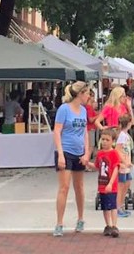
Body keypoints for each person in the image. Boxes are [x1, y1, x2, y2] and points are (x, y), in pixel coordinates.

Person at [53, 81, 91, 237]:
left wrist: (87, 152)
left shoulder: (83, 110)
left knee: (79, 186)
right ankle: (59, 222)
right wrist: (60, 154)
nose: (89, 96)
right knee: (64, 187)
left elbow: (85, 132)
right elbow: (57, 131)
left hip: (79, 151)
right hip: (66, 150)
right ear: (80, 94)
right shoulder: (64, 109)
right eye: (87, 93)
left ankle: (81, 218)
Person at [95, 128, 121, 237]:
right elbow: (97, 166)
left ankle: (114, 225)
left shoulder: (114, 153)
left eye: (107, 140)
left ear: (113, 141)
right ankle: (108, 225)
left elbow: (115, 168)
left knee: (113, 206)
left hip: (111, 185)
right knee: (105, 206)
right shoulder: (99, 153)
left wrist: (111, 183)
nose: (104, 142)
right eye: (103, 139)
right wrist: (86, 163)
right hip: (102, 184)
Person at [115, 114, 134, 218]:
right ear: (128, 123)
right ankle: (118, 207)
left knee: (126, 184)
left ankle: (121, 205)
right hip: (123, 165)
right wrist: (124, 161)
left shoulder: (126, 135)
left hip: (127, 165)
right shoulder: (122, 136)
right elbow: (117, 150)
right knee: (121, 186)